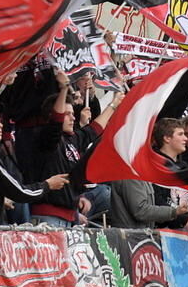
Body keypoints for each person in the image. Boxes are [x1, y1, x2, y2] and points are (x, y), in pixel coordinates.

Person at [28, 70, 123, 227]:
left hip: (69, 218)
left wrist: (114, 104)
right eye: (68, 114)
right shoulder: (45, 139)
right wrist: (64, 89)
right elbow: (55, 123)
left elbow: (94, 129)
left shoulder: (72, 139)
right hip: (49, 218)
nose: (73, 117)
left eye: (73, 113)